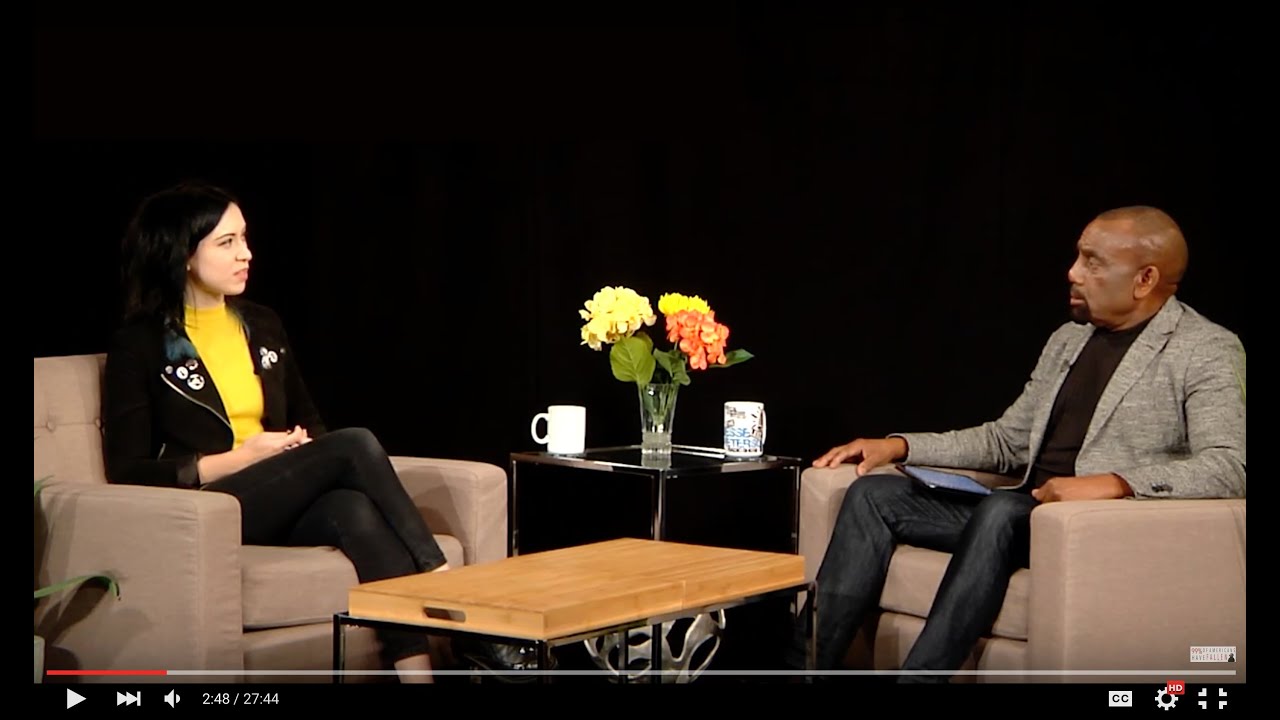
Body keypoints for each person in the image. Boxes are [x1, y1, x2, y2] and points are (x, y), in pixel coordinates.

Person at [790, 206, 1246, 681]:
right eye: (1078, 257)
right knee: (873, 494)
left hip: (1093, 529)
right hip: (1019, 514)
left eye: (1092, 262)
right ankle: (801, 668)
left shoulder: (1205, 348)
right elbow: (1007, 442)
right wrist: (901, 447)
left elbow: (1229, 466)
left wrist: (1115, 483)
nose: (1073, 273)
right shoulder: (1068, 340)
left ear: (1144, 279)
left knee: (1003, 510)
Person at [101, 181, 452, 683]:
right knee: (355, 442)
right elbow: (127, 469)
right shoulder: (140, 344)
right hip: (212, 506)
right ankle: (443, 580)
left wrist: (301, 450)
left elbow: (311, 422)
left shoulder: (262, 324)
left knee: (353, 508)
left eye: (244, 238)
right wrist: (242, 458)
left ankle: (419, 678)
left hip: (277, 493)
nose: (246, 254)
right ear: (183, 256)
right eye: (227, 243)